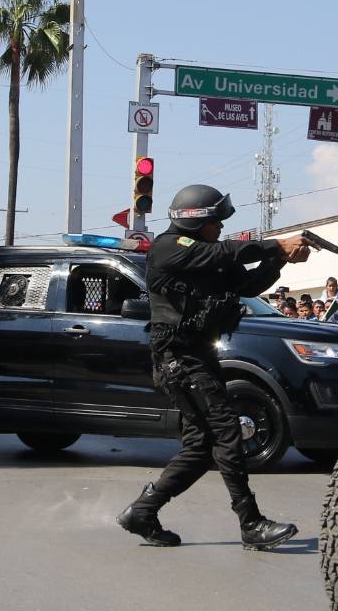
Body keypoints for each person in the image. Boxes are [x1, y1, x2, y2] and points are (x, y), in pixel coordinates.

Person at [116, 184, 315, 550]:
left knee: (200, 446)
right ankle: (251, 523)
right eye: (217, 221)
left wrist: (281, 259)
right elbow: (225, 251)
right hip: (178, 357)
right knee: (227, 431)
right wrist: (275, 244)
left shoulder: (207, 258)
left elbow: (248, 284)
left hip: (198, 354)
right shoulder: (169, 248)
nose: (221, 227)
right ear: (198, 221)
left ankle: (142, 511)